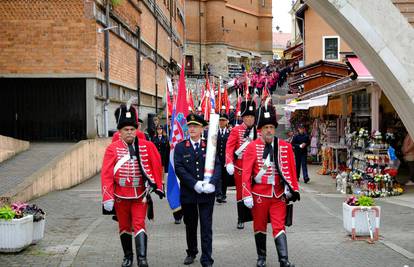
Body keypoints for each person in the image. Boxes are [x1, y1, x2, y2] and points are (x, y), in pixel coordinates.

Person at [101, 105, 165, 267]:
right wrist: (107, 197)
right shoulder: (112, 149)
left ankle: (142, 258)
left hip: (140, 195)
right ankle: (128, 256)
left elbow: (157, 164)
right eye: (126, 129)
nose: (129, 132)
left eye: (132, 129)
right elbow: (107, 174)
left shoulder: (147, 146)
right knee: (124, 226)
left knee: (139, 224)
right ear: (120, 131)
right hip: (120, 196)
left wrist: (156, 185)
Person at [242, 104, 299, 267]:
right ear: (260, 129)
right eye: (266, 127)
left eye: (271, 127)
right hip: (259, 194)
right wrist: (246, 193)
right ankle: (261, 258)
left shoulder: (285, 147)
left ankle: (283, 260)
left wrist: (292, 189)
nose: (269, 130)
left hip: (278, 195)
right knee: (259, 226)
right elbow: (246, 173)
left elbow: (292, 170)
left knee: (279, 226)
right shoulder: (252, 147)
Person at [174, 114, 221, 267]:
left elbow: (218, 166)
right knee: (191, 225)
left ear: (202, 128)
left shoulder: (210, 145)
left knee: (206, 227)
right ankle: (192, 251)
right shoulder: (181, 146)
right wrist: (194, 184)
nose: (192, 128)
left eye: (195, 126)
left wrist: (212, 183)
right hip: (189, 193)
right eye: (190, 126)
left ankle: (207, 258)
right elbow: (179, 168)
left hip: (207, 193)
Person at [225, 100, 258, 229]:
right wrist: (229, 162)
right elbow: (229, 147)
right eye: (247, 117)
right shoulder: (236, 130)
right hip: (240, 167)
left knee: (255, 192)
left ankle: (256, 216)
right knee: (241, 192)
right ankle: (241, 218)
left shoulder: (258, 131)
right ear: (243, 118)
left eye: (251, 116)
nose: (249, 119)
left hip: (255, 168)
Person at [216, 113, 230, 204]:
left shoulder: (230, 133)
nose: (221, 122)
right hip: (217, 158)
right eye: (220, 120)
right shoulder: (214, 132)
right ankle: (219, 194)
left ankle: (223, 194)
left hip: (226, 159)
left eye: (223, 120)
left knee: (225, 177)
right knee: (218, 177)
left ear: (227, 122)